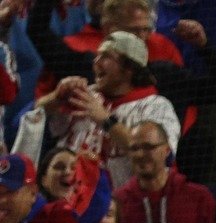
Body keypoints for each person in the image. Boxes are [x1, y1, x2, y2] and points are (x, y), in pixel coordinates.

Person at [21, 32, 181, 190]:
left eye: (106, 57)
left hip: (120, 207)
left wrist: (106, 121)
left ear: (129, 69)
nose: (96, 62)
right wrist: (55, 98)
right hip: (68, 200)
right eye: (97, 56)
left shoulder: (157, 107)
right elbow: (25, 121)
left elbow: (161, 160)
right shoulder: (84, 95)